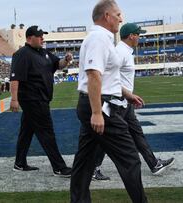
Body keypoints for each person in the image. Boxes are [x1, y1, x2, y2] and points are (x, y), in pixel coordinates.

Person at [70, 1, 148, 202]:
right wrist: (97, 112)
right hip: (101, 106)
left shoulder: (102, 38)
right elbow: (94, 75)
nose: (121, 19)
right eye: (118, 14)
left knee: (85, 161)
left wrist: (126, 94)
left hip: (96, 103)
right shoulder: (99, 38)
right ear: (107, 16)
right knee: (130, 159)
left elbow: (104, 77)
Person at [93, 23, 175, 180]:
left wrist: (129, 97)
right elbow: (107, 78)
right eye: (138, 34)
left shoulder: (125, 52)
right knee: (105, 139)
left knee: (137, 134)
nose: (139, 37)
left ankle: (153, 164)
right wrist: (128, 95)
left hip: (125, 103)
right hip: (116, 104)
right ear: (131, 36)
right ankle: (92, 167)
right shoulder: (119, 53)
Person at [10, 25, 73, 177]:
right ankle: (59, 167)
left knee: (27, 131)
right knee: (47, 132)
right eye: (39, 36)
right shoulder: (22, 54)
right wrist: (14, 99)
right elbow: (15, 78)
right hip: (32, 99)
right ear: (30, 38)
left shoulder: (44, 52)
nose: (42, 38)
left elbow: (58, 65)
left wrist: (66, 60)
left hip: (41, 98)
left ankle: (19, 163)